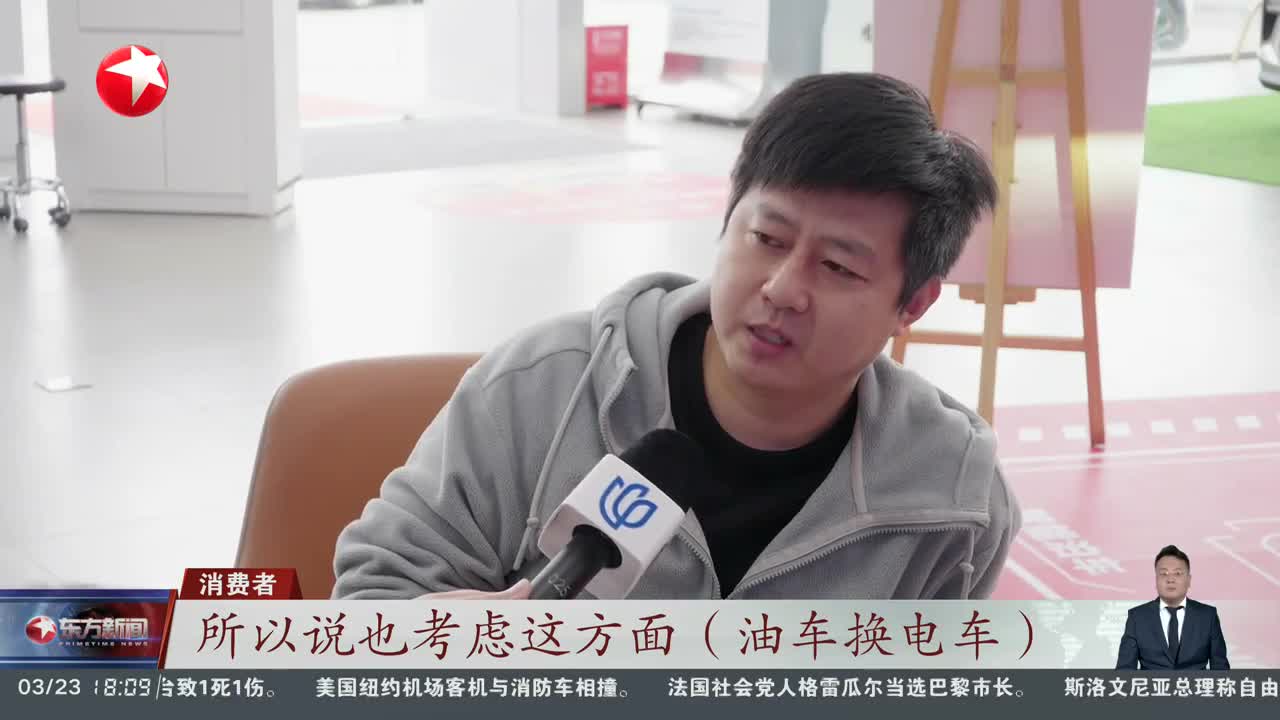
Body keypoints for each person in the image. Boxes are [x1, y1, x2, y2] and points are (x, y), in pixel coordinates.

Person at [331, 72, 1020, 601]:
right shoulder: (537, 390)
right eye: (767, 237)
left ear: (913, 303)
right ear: (727, 221)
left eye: (839, 267)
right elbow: (374, 597)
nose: (782, 287)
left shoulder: (954, 495)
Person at [1115, 545, 1230, 670]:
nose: (1170, 579)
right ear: (1156, 580)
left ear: (1189, 580)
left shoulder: (1208, 616)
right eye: (1164, 573)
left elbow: (1221, 670)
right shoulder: (1137, 617)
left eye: (1178, 573)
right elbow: (1124, 672)